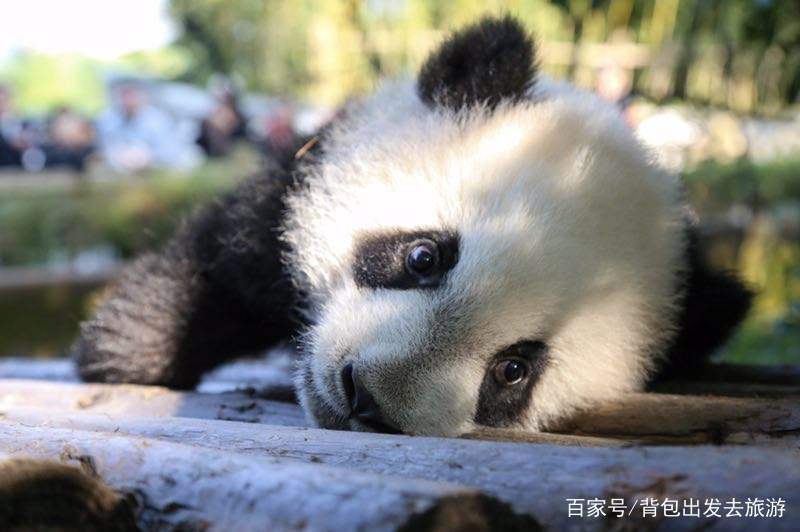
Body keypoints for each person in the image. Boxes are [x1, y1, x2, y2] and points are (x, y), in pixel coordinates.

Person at [97, 82, 199, 173]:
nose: (127, 100)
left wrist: (147, 157)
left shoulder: (158, 119)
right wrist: (119, 156)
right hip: (118, 171)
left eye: (131, 95)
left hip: (155, 169)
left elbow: (170, 150)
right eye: (124, 95)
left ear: (142, 96)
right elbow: (103, 148)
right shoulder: (107, 120)